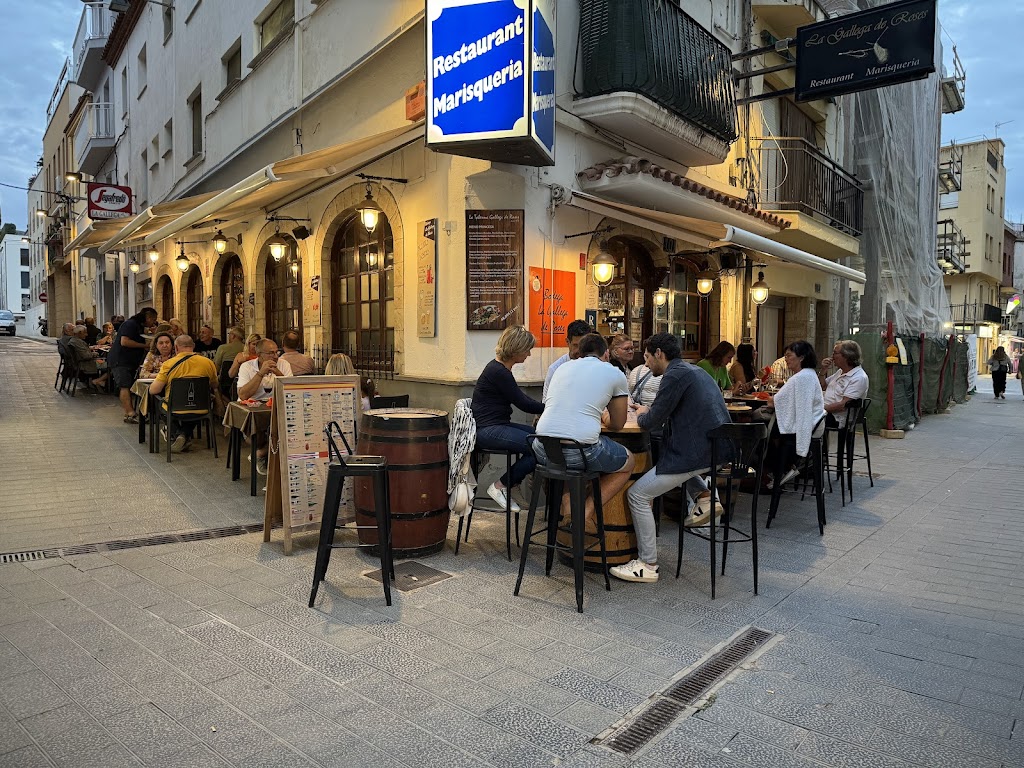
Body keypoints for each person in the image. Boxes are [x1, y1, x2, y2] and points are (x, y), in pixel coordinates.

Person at [613, 333, 731, 583]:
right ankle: (705, 496)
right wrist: (651, 411)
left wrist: (644, 413)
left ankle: (647, 564)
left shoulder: (673, 375)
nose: (645, 364)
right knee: (664, 450)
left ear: (658, 354)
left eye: (646, 357)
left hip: (698, 452)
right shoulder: (693, 371)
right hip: (716, 448)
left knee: (638, 494)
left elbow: (651, 421)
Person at [533, 334, 635, 527]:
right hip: (579, 451)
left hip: (542, 449)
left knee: (563, 462)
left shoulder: (562, 367)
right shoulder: (614, 373)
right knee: (629, 462)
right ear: (606, 353)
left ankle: (569, 512)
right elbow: (618, 424)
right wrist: (604, 416)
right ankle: (585, 513)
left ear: (579, 352)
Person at [471, 326, 545, 512]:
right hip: (487, 430)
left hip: (494, 426)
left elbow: (523, 400)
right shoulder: (499, 372)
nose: (528, 354)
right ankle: (501, 486)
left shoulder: (498, 369)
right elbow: (524, 403)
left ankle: (511, 485)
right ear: (516, 349)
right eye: (527, 349)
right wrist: (553, 409)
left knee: (543, 439)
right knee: (540, 446)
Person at [148, 335, 222, 453]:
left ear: (176, 348)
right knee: (195, 406)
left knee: (158, 402)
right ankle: (184, 435)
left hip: (175, 408)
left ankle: (177, 433)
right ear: (193, 346)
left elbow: (154, 390)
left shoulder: (168, 364)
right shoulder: (208, 363)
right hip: (202, 407)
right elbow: (214, 384)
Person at [767, 340, 826, 488]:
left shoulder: (800, 377)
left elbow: (775, 401)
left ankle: (778, 470)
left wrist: (770, 399)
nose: (785, 359)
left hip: (810, 427)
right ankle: (781, 469)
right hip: (816, 424)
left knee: (765, 428)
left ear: (801, 357)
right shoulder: (808, 375)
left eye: (789, 355)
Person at [237, 338, 293, 474]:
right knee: (259, 430)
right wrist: (260, 373)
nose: (275, 356)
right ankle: (266, 454)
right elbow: (243, 395)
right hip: (252, 408)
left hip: (274, 406)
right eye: (270, 353)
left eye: (276, 352)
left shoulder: (283, 364)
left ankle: (261, 453)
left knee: (289, 426)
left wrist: (277, 372)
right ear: (259, 354)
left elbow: (291, 389)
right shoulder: (247, 367)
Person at [108, 307, 159, 423]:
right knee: (124, 386)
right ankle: (130, 413)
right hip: (120, 360)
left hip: (129, 361)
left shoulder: (138, 325)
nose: (153, 322)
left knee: (128, 385)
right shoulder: (130, 324)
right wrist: (146, 346)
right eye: (153, 319)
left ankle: (130, 412)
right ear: (148, 317)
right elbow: (124, 341)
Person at [542, 319, 594, 401]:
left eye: (583, 346)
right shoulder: (555, 369)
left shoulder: (595, 367)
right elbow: (547, 402)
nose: (579, 350)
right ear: (567, 342)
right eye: (575, 345)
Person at [821, 340, 869, 427]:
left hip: (838, 418)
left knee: (806, 418)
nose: (832, 357)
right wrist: (823, 370)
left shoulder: (859, 377)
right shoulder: (840, 372)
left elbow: (842, 405)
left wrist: (820, 409)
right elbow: (822, 386)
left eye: (835, 353)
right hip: (826, 412)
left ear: (846, 356)